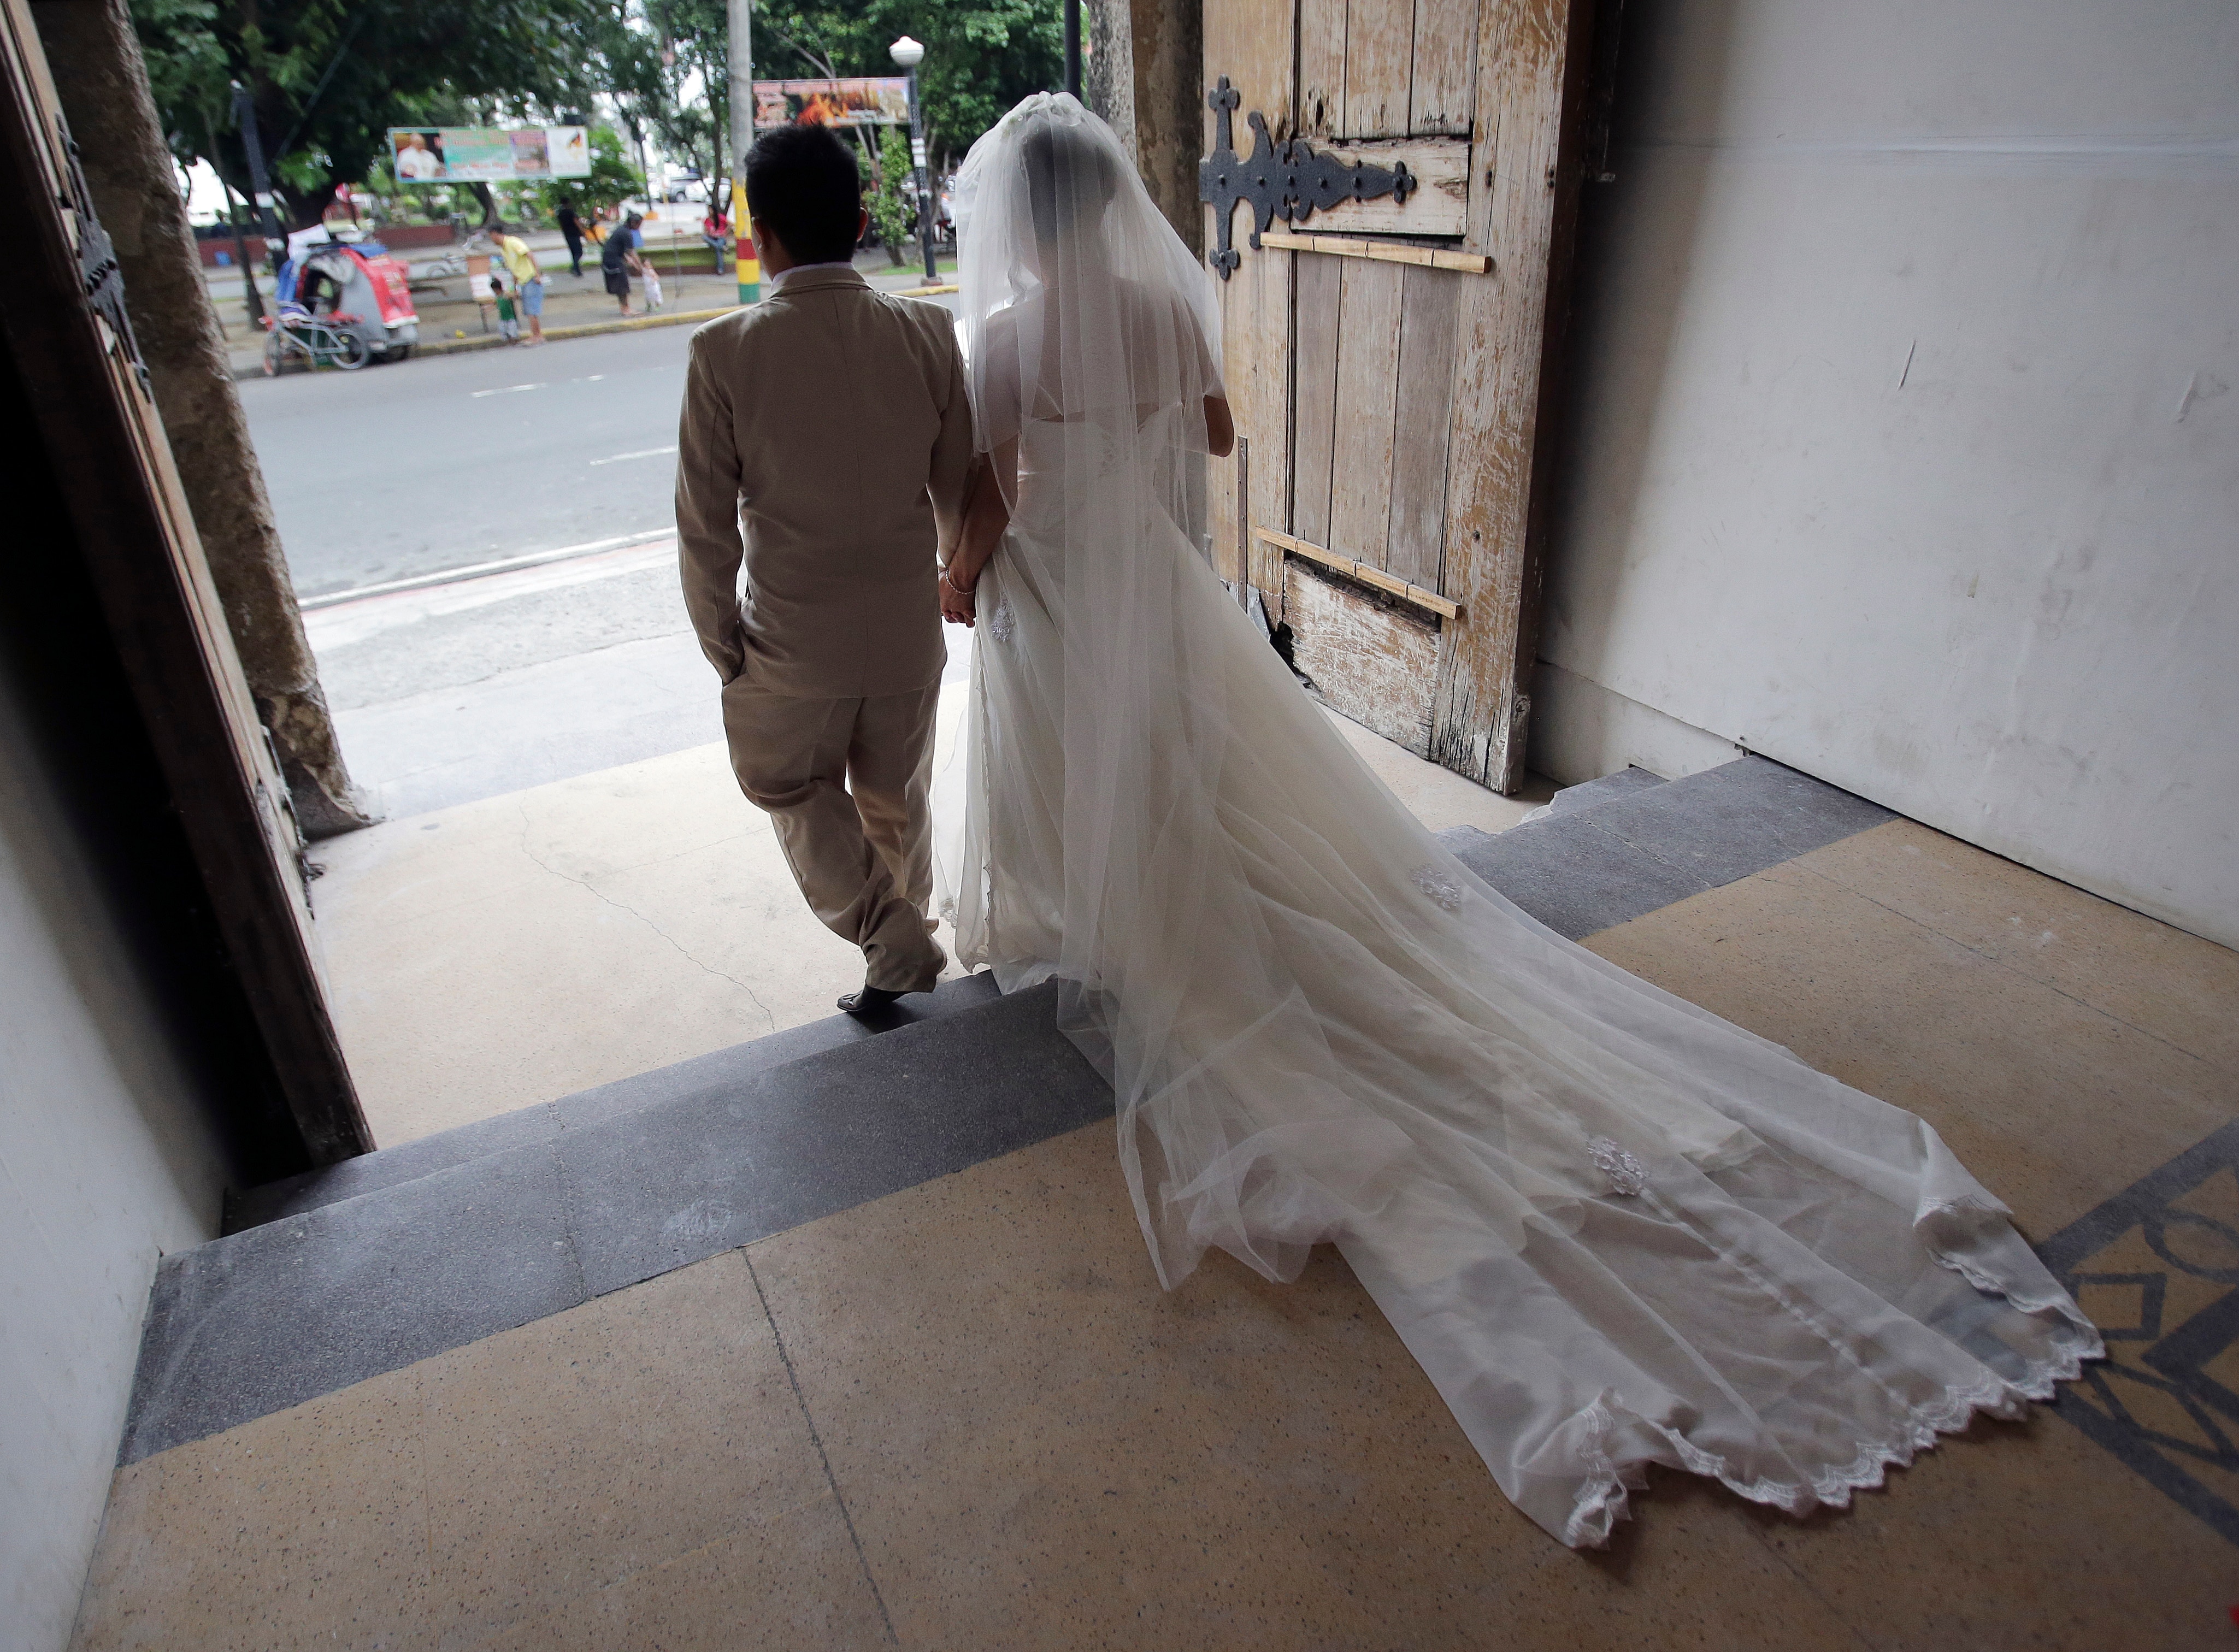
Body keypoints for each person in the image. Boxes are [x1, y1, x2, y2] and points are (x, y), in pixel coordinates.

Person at [932, 93, 2100, 1549]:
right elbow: (1218, 442)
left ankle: (1123, 910)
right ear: (1106, 202)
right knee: (1200, 773)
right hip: (1159, 596)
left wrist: (960, 578)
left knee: (1097, 776)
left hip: (1065, 588)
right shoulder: (1171, 310)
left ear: (1015, 222)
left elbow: (989, 496)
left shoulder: (1002, 342)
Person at [675, 123, 974, 1014]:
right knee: (894, 797)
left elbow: (703, 526)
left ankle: (894, 938)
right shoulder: (925, 331)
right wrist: (956, 580)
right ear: (858, 218)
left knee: (781, 778)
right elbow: (958, 488)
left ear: (759, 233)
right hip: (906, 628)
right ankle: (898, 953)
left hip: (793, 637)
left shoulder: (724, 352)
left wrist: (721, 642)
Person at [492, 219, 544, 345]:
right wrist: (515, 287)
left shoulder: (513, 242)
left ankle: (537, 336)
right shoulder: (504, 250)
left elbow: (530, 255)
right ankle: (536, 335)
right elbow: (514, 269)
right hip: (523, 281)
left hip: (530, 278)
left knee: (531, 309)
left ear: (495, 234)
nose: (492, 240)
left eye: (491, 236)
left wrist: (538, 275)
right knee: (528, 310)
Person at [601, 211, 643, 315]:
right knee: (622, 284)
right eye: (639, 224)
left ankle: (624, 307)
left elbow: (618, 248)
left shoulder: (621, 230)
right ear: (633, 223)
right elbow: (631, 251)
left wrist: (629, 260)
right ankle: (626, 309)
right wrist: (640, 266)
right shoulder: (626, 233)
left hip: (610, 258)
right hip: (614, 260)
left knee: (620, 284)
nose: (639, 227)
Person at [556, 202, 585, 278]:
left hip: (567, 235)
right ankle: (575, 268)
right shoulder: (571, 213)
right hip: (574, 234)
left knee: (573, 253)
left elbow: (561, 225)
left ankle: (575, 268)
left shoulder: (561, 214)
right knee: (579, 252)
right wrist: (583, 231)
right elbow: (577, 222)